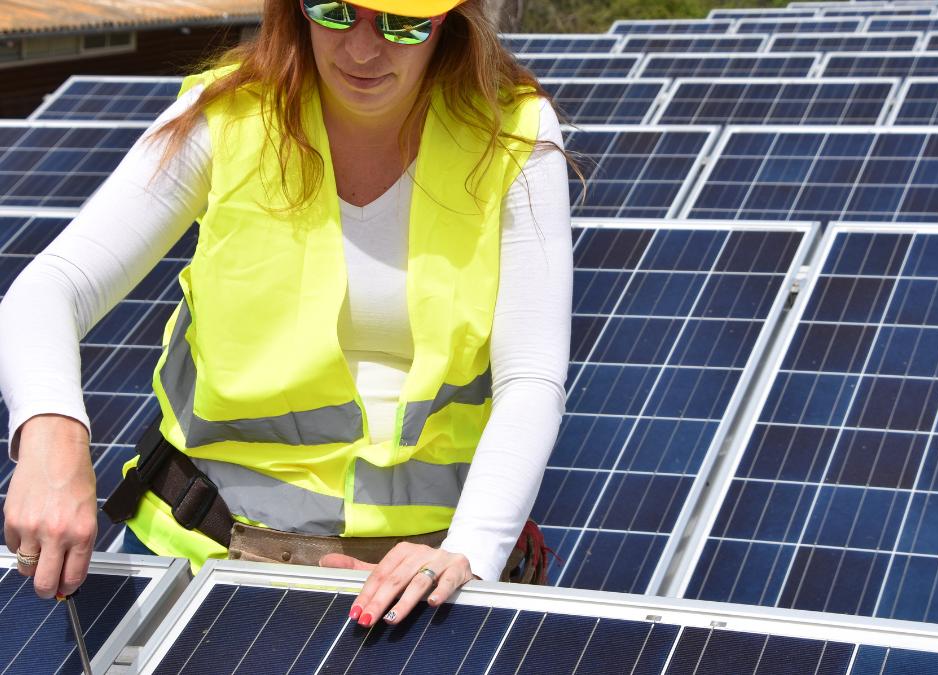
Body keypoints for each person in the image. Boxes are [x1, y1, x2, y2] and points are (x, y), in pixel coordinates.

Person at [0, 0, 571, 629]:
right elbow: (52, 286)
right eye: (333, 10)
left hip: (415, 584)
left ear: (454, 24)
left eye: (401, 23)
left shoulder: (512, 130)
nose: (361, 50)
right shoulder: (228, 114)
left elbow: (531, 378)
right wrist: (51, 435)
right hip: (200, 559)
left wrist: (470, 552)